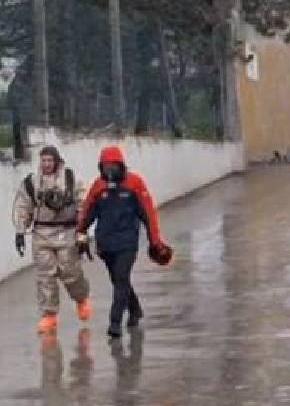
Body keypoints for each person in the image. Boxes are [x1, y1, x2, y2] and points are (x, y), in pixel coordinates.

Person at [77, 145, 172, 339]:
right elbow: (87, 211)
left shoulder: (135, 184)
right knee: (119, 280)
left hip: (127, 243)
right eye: (106, 166)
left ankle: (115, 323)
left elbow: (148, 214)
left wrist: (155, 240)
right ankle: (135, 309)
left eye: (113, 166)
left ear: (121, 165)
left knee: (120, 278)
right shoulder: (99, 186)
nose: (109, 170)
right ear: (101, 167)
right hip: (105, 244)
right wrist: (80, 232)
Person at [12, 145, 92, 333]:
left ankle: (81, 299)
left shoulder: (70, 179)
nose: (47, 164)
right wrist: (20, 231)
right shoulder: (32, 183)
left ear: (56, 161)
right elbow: (23, 206)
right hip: (42, 233)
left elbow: (84, 204)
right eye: (44, 160)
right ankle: (49, 315)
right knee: (45, 276)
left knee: (70, 271)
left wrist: (82, 233)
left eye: (50, 160)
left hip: (66, 231)